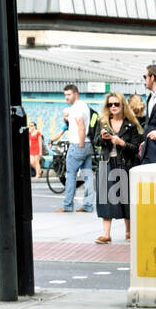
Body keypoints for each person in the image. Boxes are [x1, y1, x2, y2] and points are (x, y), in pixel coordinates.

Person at [93, 91, 141, 244]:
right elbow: (95, 141)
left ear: (122, 105)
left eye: (116, 104)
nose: (113, 107)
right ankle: (106, 234)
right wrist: (102, 137)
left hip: (124, 164)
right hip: (106, 162)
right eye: (110, 104)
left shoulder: (131, 125)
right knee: (105, 199)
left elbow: (135, 148)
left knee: (126, 199)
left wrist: (121, 142)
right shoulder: (103, 122)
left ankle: (129, 232)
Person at [55, 84, 95, 213]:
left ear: (75, 93)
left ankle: (67, 205)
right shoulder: (84, 106)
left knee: (70, 175)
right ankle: (88, 205)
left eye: (68, 94)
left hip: (78, 144)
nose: (66, 97)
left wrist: (81, 144)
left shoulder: (77, 108)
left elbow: (81, 127)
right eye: (65, 95)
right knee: (88, 175)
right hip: (88, 144)